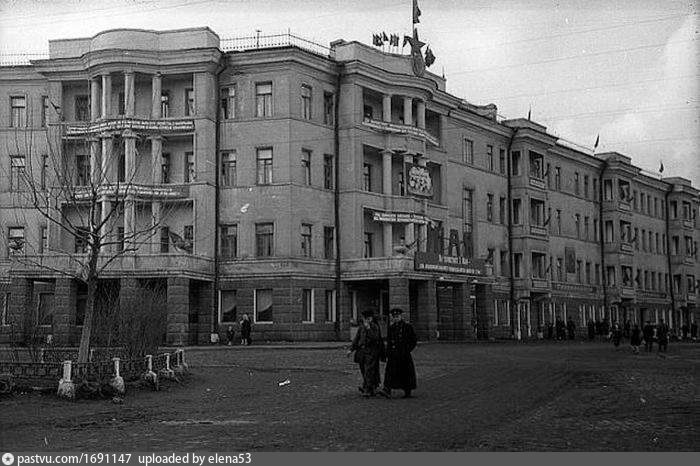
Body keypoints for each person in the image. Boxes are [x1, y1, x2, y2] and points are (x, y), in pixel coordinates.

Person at [379, 308, 417, 399]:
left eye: (397, 316)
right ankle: (387, 389)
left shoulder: (407, 327)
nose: (396, 318)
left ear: (401, 316)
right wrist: (387, 353)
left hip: (404, 355)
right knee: (390, 372)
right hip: (393, 354)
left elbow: (413, 340)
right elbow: (389, 341)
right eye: (394, 317)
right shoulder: (391, 328)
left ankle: (407, 390)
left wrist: (407, 350)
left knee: (406, 372)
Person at [347, 310, 385, 397]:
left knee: (369, 370)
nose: (366, 321)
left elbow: (376, 338)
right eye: (365, 319)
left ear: (371, 319)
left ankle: (368, 388)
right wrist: (351, 349)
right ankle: (369, 386)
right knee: (363, 369)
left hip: (371, 351)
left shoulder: (375, 327)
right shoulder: (361, 327)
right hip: (362, 351)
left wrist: (368, 329)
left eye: (368, 319)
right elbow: (357, 339)